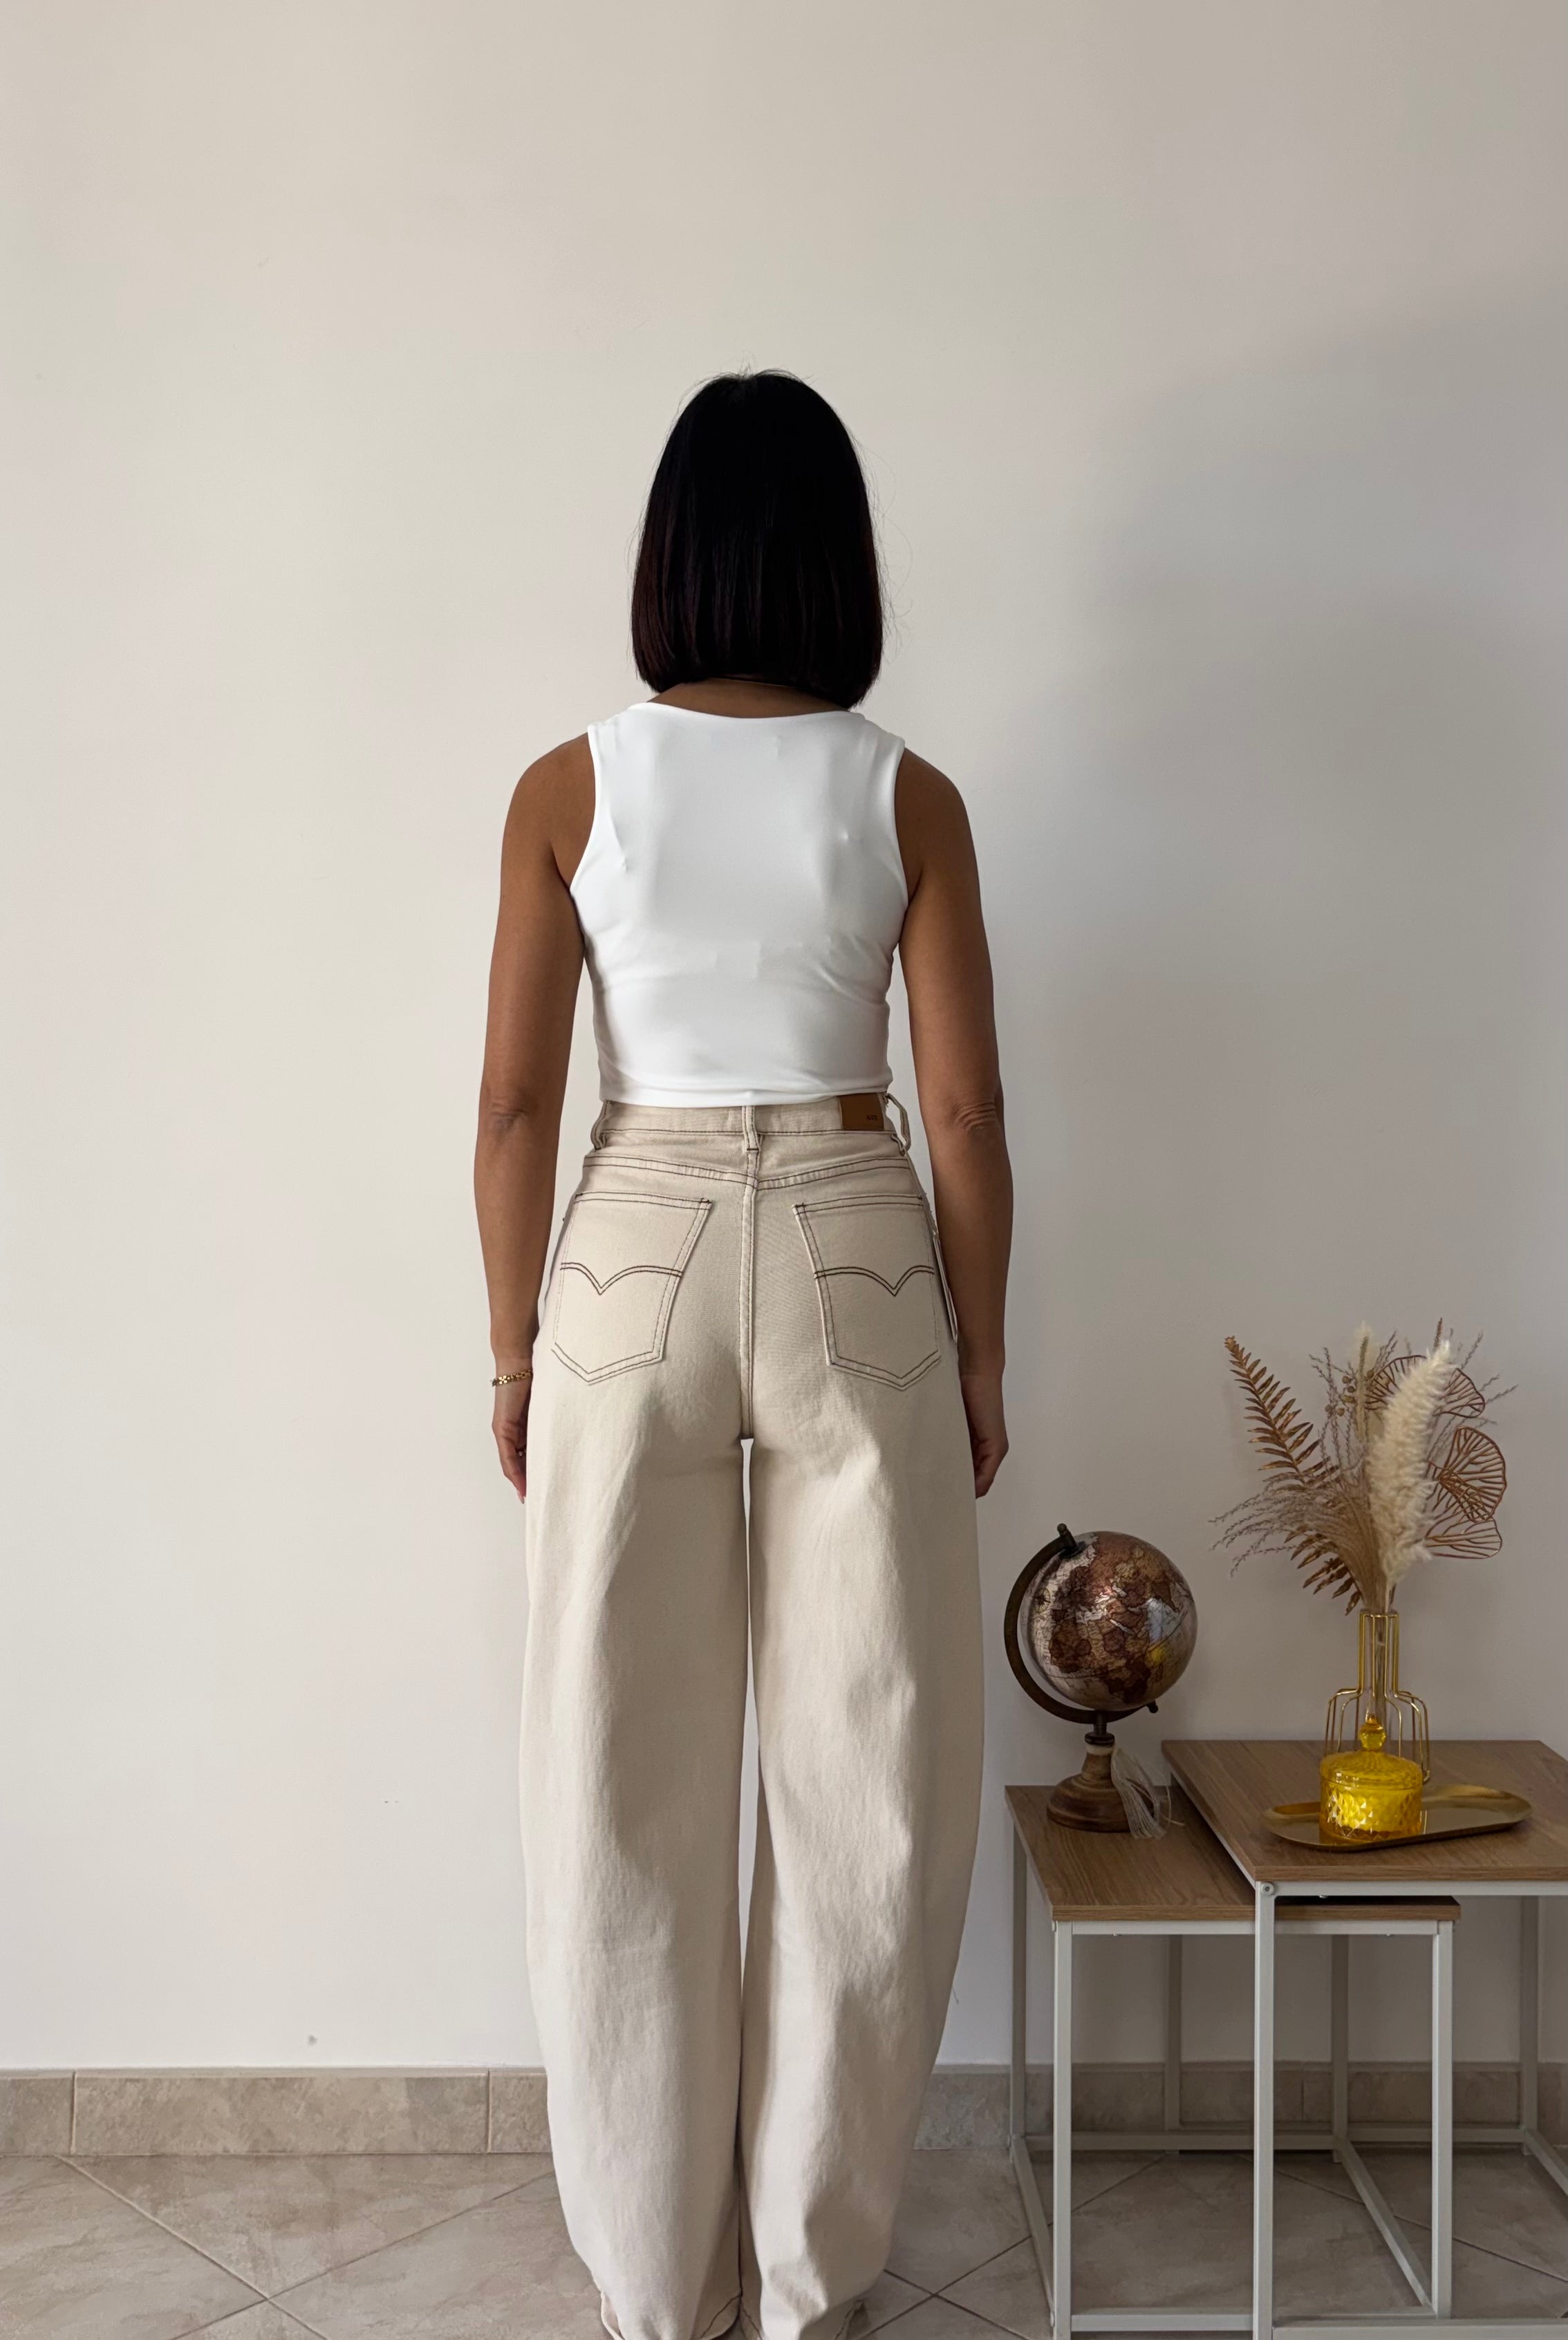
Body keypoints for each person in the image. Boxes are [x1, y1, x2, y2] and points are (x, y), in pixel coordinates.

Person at [474, 370, 1012, 2340]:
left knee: (616, 1771)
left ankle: (657, 2283)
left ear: (670, 558)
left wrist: (514, 1352)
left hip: (632, 1238)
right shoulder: (905, 794)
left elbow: (516, 1109)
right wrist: (980, 1355)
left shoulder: (569, 788)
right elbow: (964, 1115)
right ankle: (807, 2276)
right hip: (860, 1232)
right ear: (839, 563)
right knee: (868, 1777)